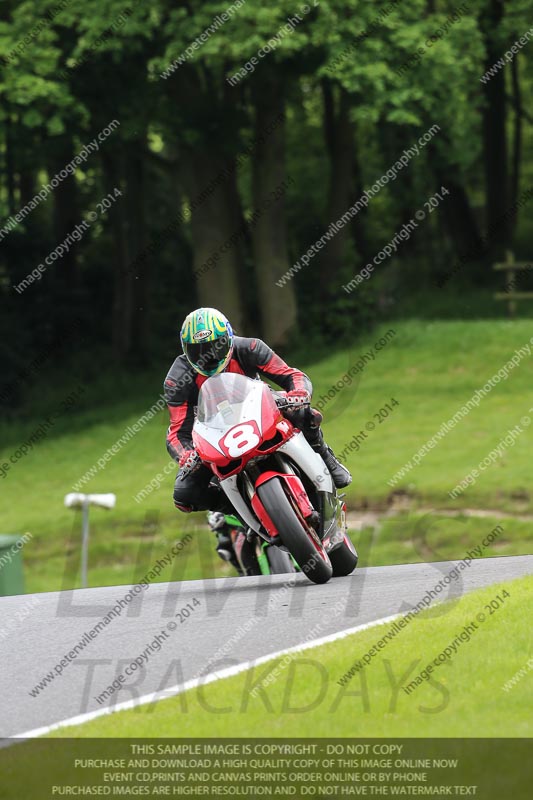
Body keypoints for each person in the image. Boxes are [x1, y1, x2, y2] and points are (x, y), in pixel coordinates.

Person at [164, 307, 351, 515]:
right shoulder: (177, 379)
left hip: (260, 409)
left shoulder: (250, 347)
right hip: (214, 433)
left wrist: (299, 393)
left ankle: (326, 459)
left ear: (229, 337)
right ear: (184, 350)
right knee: (184, 495)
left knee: (307, 414)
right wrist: (186, 455)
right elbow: (176, 433)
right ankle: (238, 511)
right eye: (197, 351)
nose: (209, 357)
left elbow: (291, 375)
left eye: (216, 347)